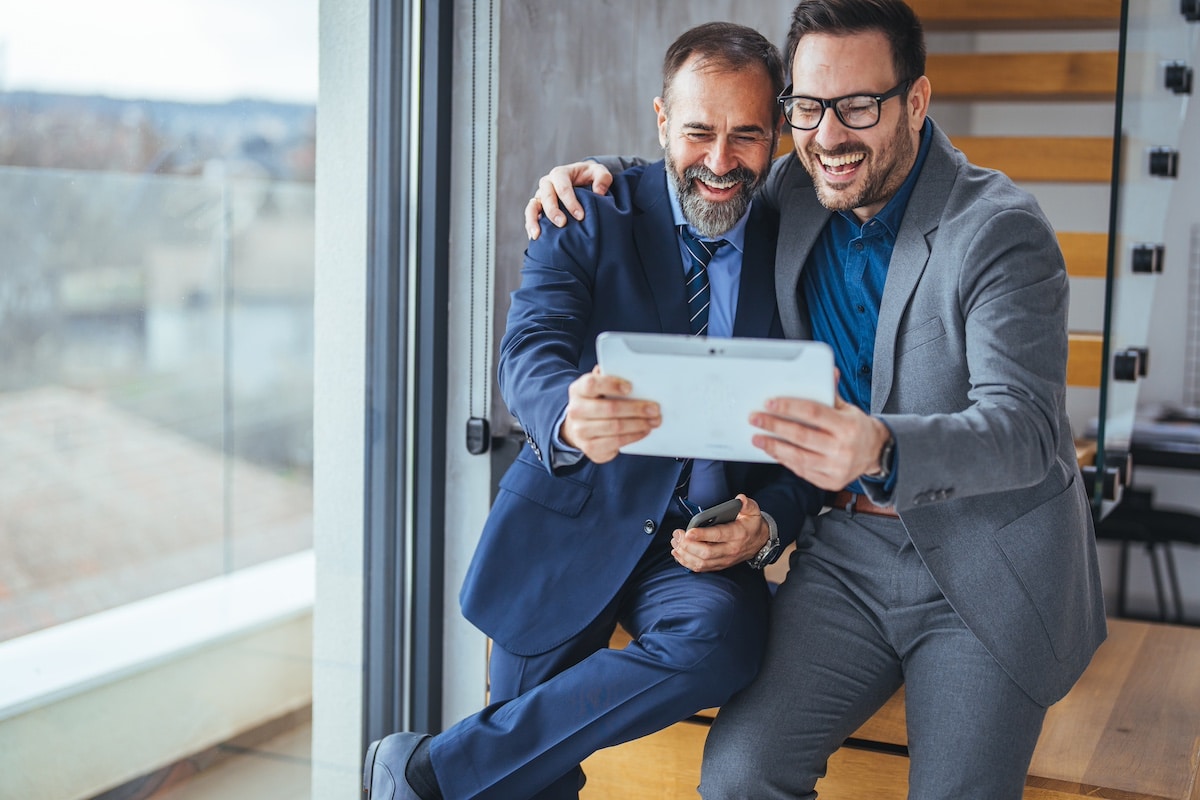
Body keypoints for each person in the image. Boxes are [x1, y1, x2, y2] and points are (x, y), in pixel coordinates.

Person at [525, 1, 1107, 797]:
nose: (830, 135)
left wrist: (879, 448)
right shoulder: (796, 190)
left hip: (984, 560)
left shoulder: (999, 229)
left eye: (860, 106)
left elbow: (1030, 429)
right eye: (807, 108)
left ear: (916, 101)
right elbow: (707, 163)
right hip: (849, 558)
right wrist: (590, 180)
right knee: (738, 777)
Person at [363, 21, 823, 800]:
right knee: (521, 782)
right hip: (568, 524)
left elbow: (809, 438)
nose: (720, 162)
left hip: (695, 546)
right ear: (659, 121)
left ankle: (424, 770)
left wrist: (769, 519)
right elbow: (529, 350)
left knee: (722, 641)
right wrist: (567, 415)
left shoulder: (801, 245)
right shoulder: (586, 209)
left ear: (777, 133)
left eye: (746, 136)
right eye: (698, 132)